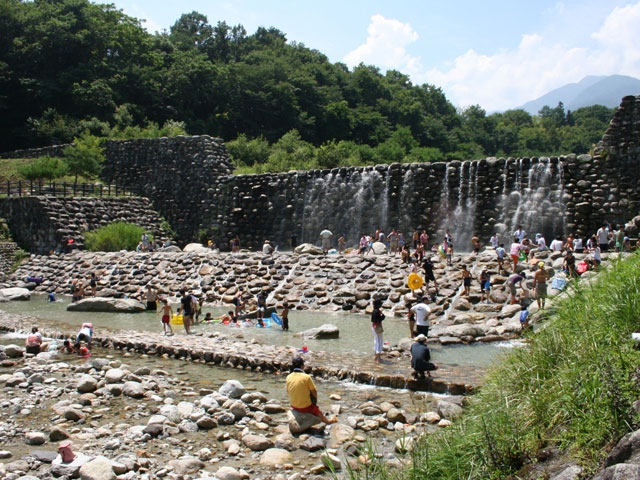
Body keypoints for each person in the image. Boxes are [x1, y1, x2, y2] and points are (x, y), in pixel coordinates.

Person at [285, 356, 337, 425]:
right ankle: (328, 421)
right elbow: (314, 391)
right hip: (305, 407)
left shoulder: (288, 377)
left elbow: (288, 391)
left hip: (294, 406)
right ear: (302, 366)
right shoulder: (306, 377)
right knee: (317, 410)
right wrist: (314, 402)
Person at [371, 298, 385, 363]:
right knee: (379, 342)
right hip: (377, 327)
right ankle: (378, 359)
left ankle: (376, 357)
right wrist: (382, 315)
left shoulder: (374, 311)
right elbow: (380, 318)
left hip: (374, 327)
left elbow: (373, 320)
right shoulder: (377, 311)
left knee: (376, 341)